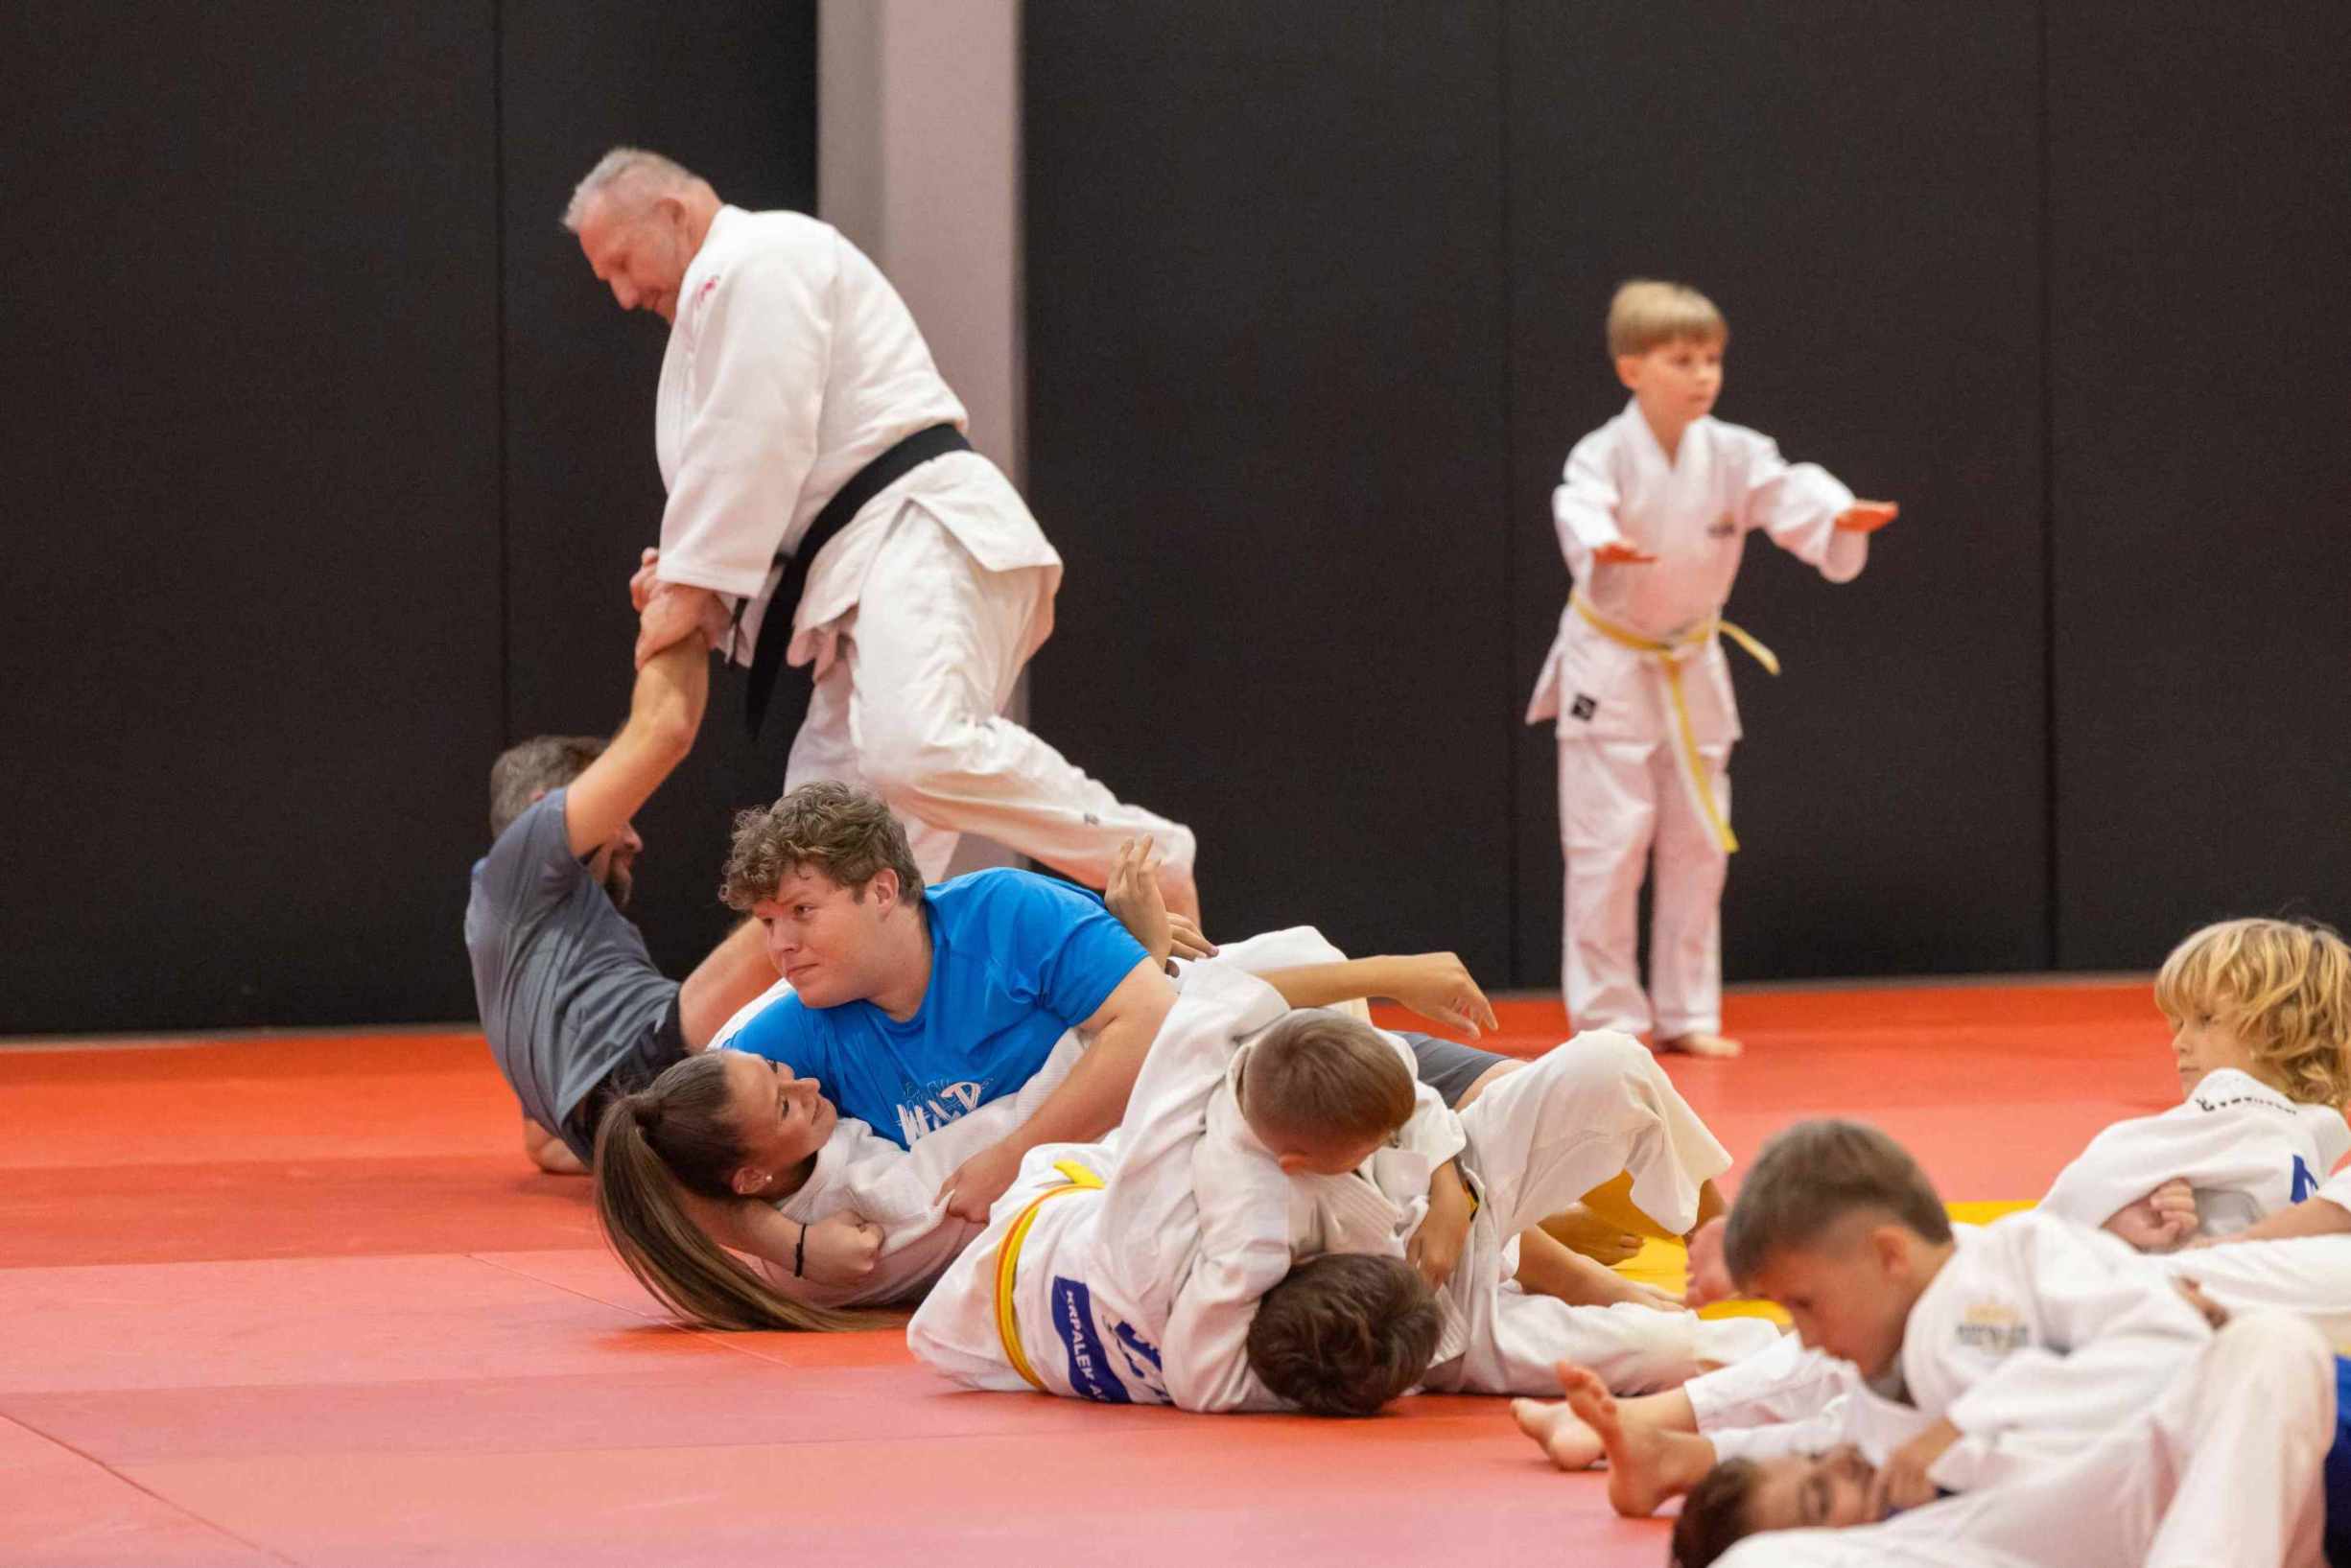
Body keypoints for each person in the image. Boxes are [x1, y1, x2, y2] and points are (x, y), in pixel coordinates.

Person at [564, 147, 1198, 913]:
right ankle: (838, 997)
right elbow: (762, 481)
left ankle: (1146, 855)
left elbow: (755, 437)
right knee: (819, 867)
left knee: (914, 747)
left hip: (922, 531)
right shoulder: (717, 303)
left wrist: (695, 581)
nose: (625, 294)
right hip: (859, 582)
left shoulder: (760, 254)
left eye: (622, 263)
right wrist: (690, 576)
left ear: (672, 212)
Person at [906, 962, 1776, 1413]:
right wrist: (1376, 1368)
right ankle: (1775, 1347)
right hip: (1389, 1322)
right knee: (1659, 1352)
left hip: (1424, 1229)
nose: (1392, 1135)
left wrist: (1448, 1183)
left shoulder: (1255, 1062)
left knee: (1612, 1063)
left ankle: (1721, 1240)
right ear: (1297, 1160)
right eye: (1372, 1142)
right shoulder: (1230, 1235)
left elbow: (1394, 1084)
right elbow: (1203, 1380)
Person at [596, 921, 1493, 1331]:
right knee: (1242, 999)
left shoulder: (755, 1114)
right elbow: (1003, 1139)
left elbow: (657, 1159)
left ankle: (1451, 1155)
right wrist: (1120, 1006)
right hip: (1098, 1183)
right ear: (750, 1175)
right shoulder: (863, 1216)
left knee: (1241, 1014)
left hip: (1082, 1152)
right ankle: (1447, 1149)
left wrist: (782, 1240)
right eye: (784, 1101)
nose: (799, 1078)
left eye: (799, 914)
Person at [1523, 280, 1897, 1056]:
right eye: (1681, 360)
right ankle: (1608, 1020)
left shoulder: (1734, 452)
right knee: (1606, 847)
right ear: (1631, 368)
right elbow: (1576, 503)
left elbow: (1790, 486)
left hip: (1690, 661)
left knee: (1697, 844)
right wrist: (1599, 545)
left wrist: (1834, 513)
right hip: (1611, 663)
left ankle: (1688, 1011)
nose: (1702, 375)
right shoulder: (1601, 454)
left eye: (1711, 360)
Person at [1557, 1309, 2347, 1568]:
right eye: (1821, 1498)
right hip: (2289, 1442)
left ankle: (1681, 1438)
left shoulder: (1912, 1461)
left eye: (1818, 1468)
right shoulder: (1921, 1536)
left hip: (2251, 1401)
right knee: (2268, 1343)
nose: (1845, 1470)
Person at [462, 627, 778, 1174]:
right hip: (648, 1071)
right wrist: (688, 608)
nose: (634, 840)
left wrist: (630, 1157)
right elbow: (665, 728)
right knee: (809, 889)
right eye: (619, 817)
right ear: (545, 807)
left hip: (627, 1110)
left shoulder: (524, 929)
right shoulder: (520, 856)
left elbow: (543, 1145)